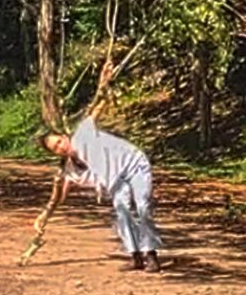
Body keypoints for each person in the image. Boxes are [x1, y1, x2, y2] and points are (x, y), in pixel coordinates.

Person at [38, 116, 162, 272]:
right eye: (55, 149)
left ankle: (151, 254)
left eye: (59, 142)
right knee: (122, 210)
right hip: (116, 178)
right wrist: (45, 215)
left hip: (134, 164)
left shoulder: (83, 135)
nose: (60, 147)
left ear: (65, 137)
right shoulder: (70, 168)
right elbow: (59, 195)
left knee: (142, 205)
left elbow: (94, 114)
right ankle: (135, 256)